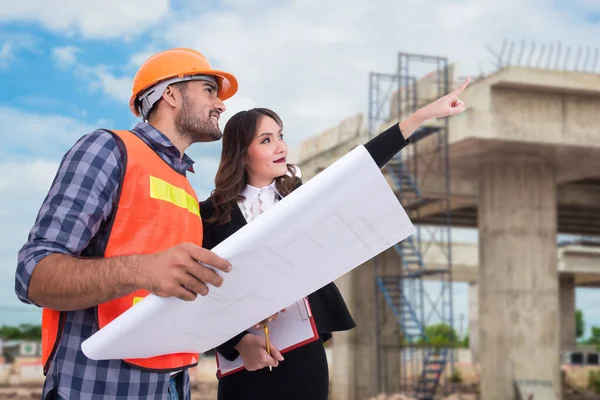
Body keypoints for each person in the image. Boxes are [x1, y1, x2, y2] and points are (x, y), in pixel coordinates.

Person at [200, 77, 470, 399]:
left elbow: (360, 164)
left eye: (281, 136)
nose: (281, 146)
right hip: (245, 361)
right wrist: (239, 343)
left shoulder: (298, 198)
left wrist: (422, 115)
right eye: (267, 140)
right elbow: (199, 291)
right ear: (242, 154)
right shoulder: (211, 214)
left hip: (304, 352)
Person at [14, 48, 238, 400]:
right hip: (99, 387)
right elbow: (32, 274)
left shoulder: (186, 186)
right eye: (209, 90)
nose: (221, 104)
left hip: (171, 381)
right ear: (171, 94)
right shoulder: (108, 149)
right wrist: (143, 270)